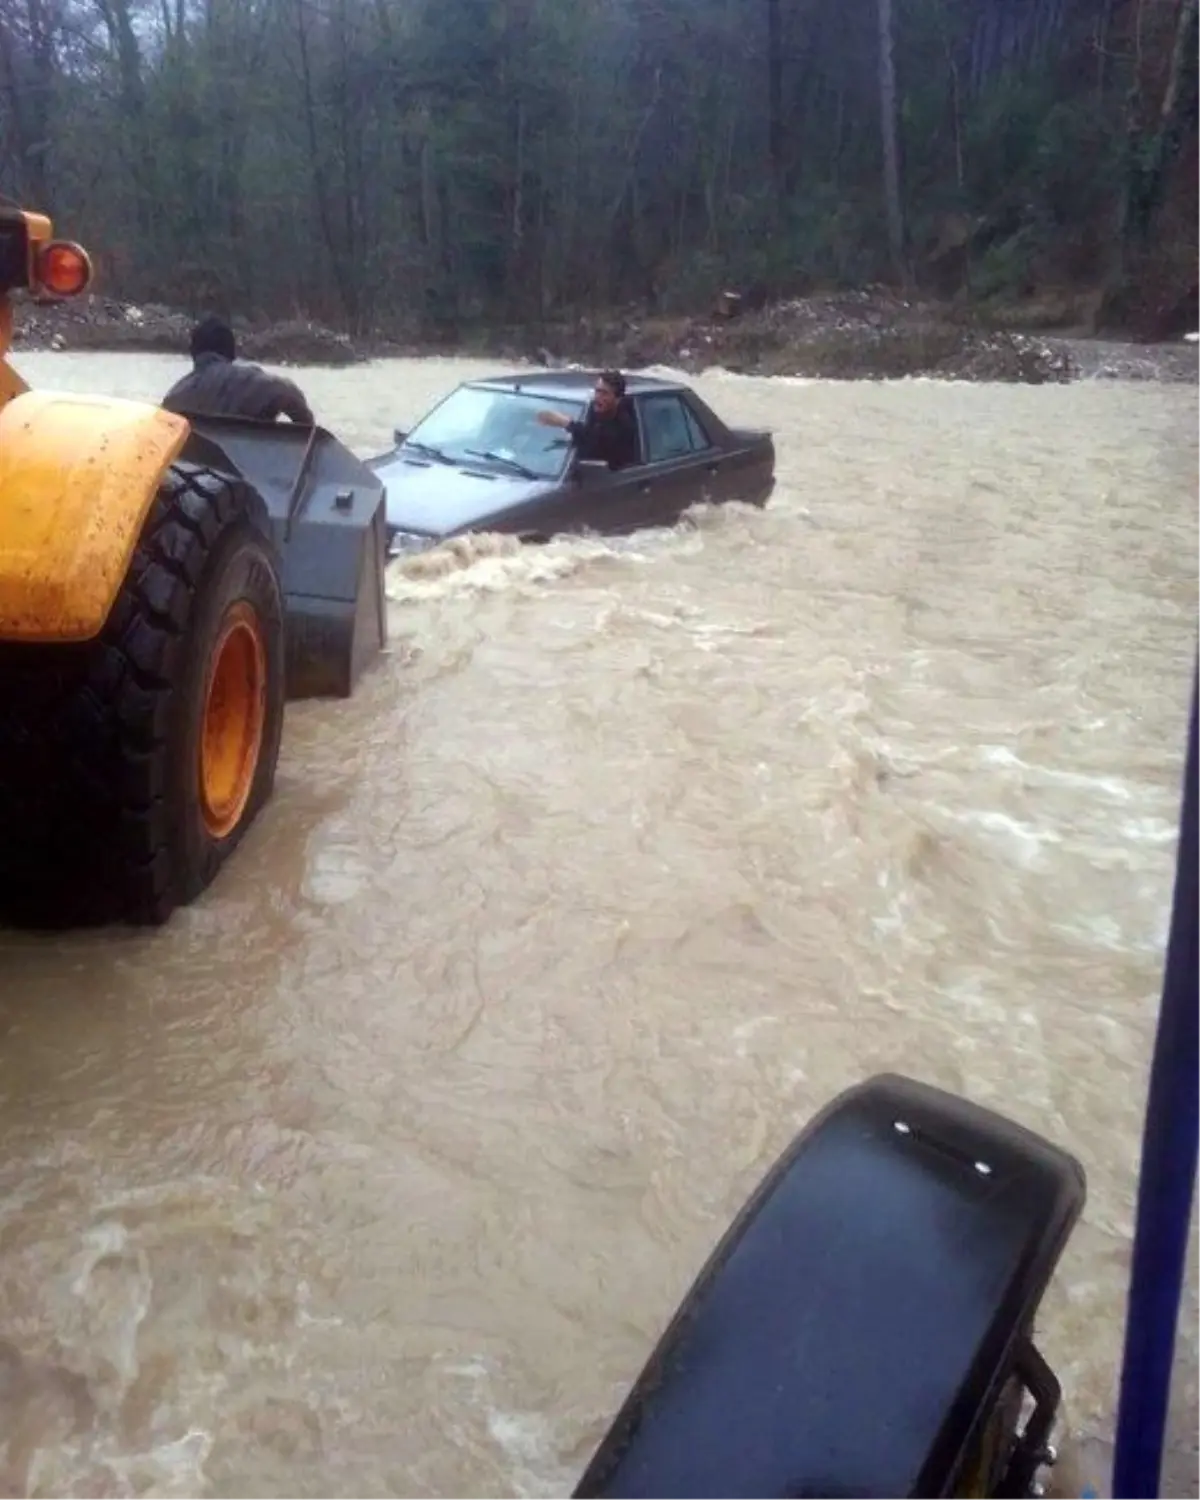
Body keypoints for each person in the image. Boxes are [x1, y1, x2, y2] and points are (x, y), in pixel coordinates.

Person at [162, 316, 314, 425]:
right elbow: (288, 394)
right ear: (232, 352)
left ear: (193, 352)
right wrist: (304, 432)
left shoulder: (174, 397)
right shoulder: (251, 381)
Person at [536, 370, 638, 470]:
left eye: (604, 393)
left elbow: (597, 441)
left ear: (617, 399)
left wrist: (567, 423)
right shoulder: (594, 413)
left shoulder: (625, 425)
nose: (598, 397)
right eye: (597, 391)